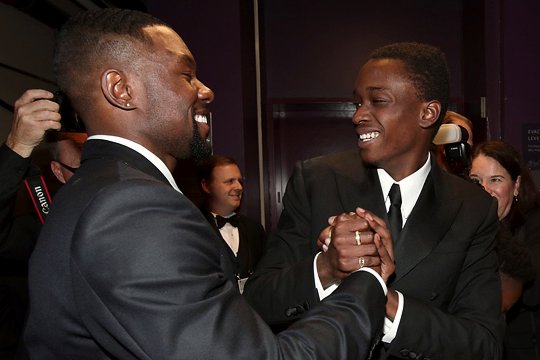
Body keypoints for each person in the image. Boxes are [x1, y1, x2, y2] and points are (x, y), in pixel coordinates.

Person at [20, 9, 396, 359]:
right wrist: (367, 282)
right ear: (122, 89)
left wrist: (326, 269)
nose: (206, 90)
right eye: (186, 75)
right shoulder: (133, 207)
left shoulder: (92, 189)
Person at [244, 42, 505, 359]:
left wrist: (379, 298)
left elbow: (484, 344)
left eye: (377, 101)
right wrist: (324, 268)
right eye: (357, 103)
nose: (357, 116)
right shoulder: (316, 180)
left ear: (428, 113)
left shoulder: (473, 207)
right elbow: (257, 301)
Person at [0, 89, 85, 357]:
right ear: (58, 171)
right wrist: (19, 145)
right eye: (82, 170)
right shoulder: (39, 228)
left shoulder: (137, 215)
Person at [469, 140, 540, 359]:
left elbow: (533, 292)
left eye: (495, 180)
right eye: (476, 181)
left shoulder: (534, 223)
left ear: (516, 185)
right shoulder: (461, 228)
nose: (485, 190)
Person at [196, 155, 266, 292]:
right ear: (206, 186)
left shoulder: (255, 229)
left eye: (240, 181)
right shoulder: (195, 228)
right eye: (229, 181)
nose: (239, 187)